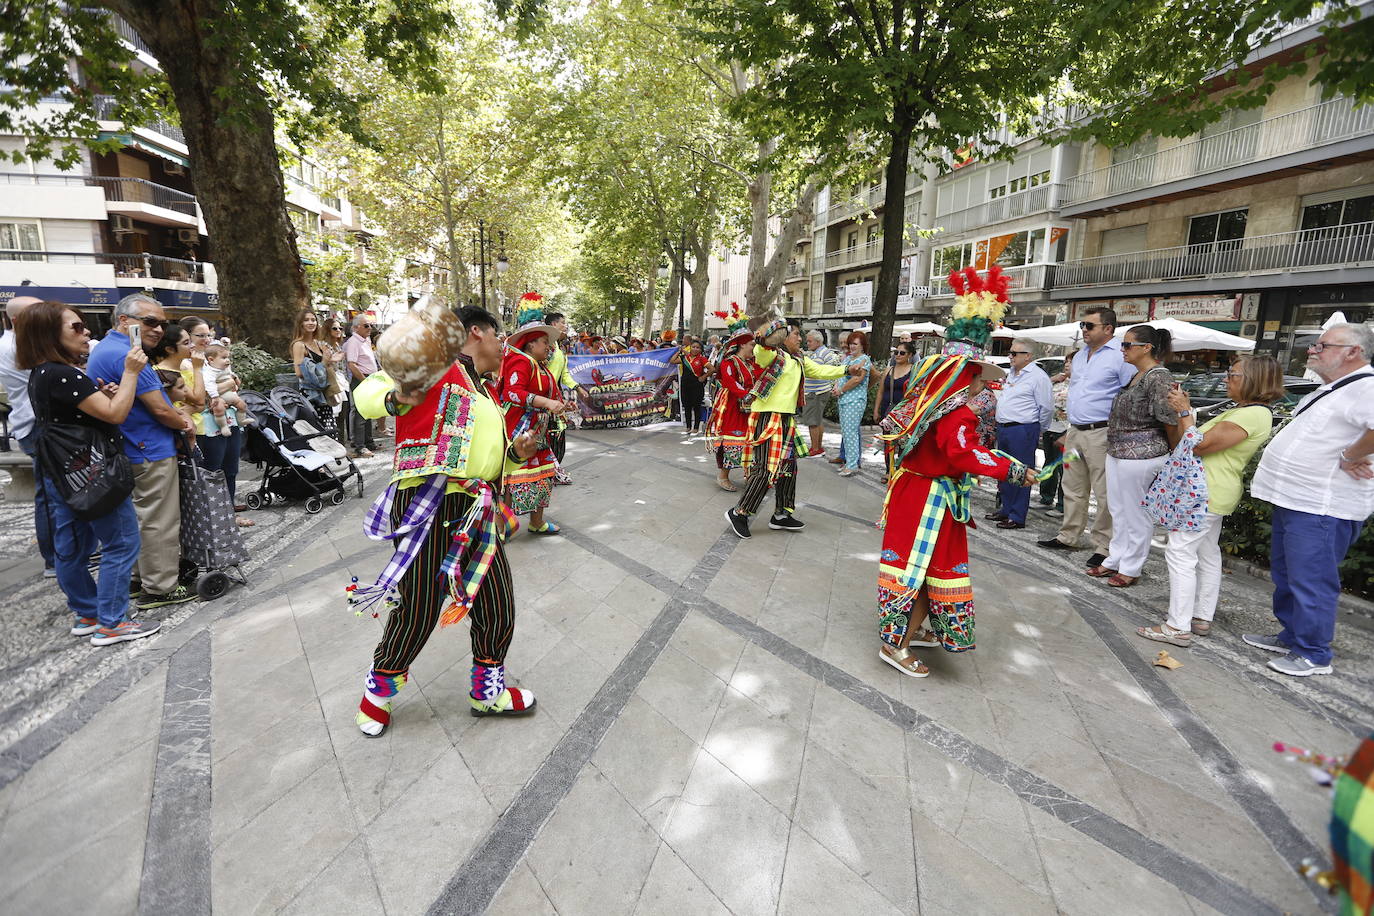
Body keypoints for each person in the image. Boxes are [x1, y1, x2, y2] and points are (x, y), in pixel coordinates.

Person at [349, 304, 538, 735]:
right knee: (418, 607)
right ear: (476, 333)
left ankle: (488, 692)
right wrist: (396, 397)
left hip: (476, 509)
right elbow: (366, 397)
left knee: (496, 602)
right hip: (429, 504)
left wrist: (514, 453)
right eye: (498, 335)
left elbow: (480, 452)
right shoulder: (434, 365)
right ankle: (376, 693)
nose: (502, 344)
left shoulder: (484, 389)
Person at [875, 267, 1036, 678]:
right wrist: (1013, 471)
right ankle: (896, 644)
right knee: (925, 567)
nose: (984, 384)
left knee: (923, 566)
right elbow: (964, 454)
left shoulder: (930, 403)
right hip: (930, 498)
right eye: (980, 377)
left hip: (918, 491)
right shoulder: (956, 412)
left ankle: (914, 630)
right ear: (967, 376)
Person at [16, 301, 160, 644]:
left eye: (83, 326)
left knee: (73, 546)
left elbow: (82, 413)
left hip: (64, 471)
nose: (86, 333)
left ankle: (89, 613)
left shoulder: (43, 373)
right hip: (93, 472)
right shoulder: (62, 373)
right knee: (122, 541)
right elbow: (115, 414)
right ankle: (112, 621)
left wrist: (104, 396)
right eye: (75, 328)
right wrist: (129, 375)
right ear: (49, 334)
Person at [1243, 323, 1374, 677]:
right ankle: (1292, 636)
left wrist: (1350, 456)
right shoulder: (1332, 388)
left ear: (1353, 352)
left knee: (1311, 579)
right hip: (1296, 500)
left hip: (1322, 506)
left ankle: (1314, 654)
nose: (1312, 351)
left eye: (1322, 345)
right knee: (1288, 573)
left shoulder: (1367, 387)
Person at [1136, 355, 1281, 647]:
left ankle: (1177, 625)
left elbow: (1199, 445)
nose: (1226, 378)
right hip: (1208, 491)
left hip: (1204, 492)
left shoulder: (1252, 414)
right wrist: (1184, 413)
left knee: (1180, 553)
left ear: (1254, 380)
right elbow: (1191, 439)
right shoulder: (1247, 410)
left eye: (1234, 375)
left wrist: (1185, 410)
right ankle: (1201, 616)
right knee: (1206, 554)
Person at [87, 293, 197, 610]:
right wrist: (184, 422)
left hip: (131, 448)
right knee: (159, 521)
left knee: (141, 518)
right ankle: (160, 587)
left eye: (162, 323)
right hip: (148, 449)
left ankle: (140, 579)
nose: (159, 329)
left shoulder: (108, 350)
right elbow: (161, 410)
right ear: (125, 321)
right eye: (150, 322)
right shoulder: (128, 355)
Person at [724, 320, 856, 539]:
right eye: (796, 334)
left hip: (785, 419)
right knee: (766, 469)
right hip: (768, 418)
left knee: (788, 468)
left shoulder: (798, 359)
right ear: (783, 337)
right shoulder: (771, 355)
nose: (800, 339)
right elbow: (761, 348)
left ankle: (782, 514)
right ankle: (740, 513)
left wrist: (846, 369)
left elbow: (820, 370)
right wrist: (768, 334)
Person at [1038, 306, 1136, 569]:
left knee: (1104, 492)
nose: (1084, 330)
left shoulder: (1120, 356)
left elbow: (1129, 393)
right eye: (1082, 325)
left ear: (1108, 329)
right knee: (1072, 485)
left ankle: (1104, 546)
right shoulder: (1080, 356)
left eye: (1089, 326)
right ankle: (1069, 535)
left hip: (1102, 433)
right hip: (1076, 431)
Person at [1085, 324, 1179, 588]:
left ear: (1146, 348)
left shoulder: (1158, 376)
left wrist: (1175, 452)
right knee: (1118, 510)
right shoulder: (1138, 375)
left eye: (1127, 345)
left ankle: (1132, 566)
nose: (1122, 350)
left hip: (1142, 454)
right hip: (1118, 451)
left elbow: (1169, 419)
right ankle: (1114, 558)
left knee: (1136, 513)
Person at [500, 301, 570, 534]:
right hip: (519, 430)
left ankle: (537, 521)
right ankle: (502, 525)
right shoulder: (520, 362)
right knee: (512, 477)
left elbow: (551, 393)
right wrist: (545, 402)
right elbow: (511, 392)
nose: (548, 347)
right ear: (530, 344)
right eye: (543, 342)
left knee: (544, 474)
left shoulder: (540, 366)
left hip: (538, 431)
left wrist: (561, 405)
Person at [0, 296, 56, 576]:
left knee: (52, 492)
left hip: (34, 424)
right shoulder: (15, 346)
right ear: (19, 320)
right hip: (36, 426)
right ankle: (54, 557)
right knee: (49, 494)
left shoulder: (22, 344)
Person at [988, 342, 1053, 529]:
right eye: (1010, 353)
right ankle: (1006, 509)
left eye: (1015, 353)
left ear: (1028, 356)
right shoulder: (1012, 373)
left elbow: (1046, 407)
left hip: (1022, 428)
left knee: (1021, 472)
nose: (1011, 356)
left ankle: (1016, 515)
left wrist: (1039, 428)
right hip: (1005, 427)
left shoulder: (1038, 377)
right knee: (1005, 470)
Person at [705, 322, 761, 492]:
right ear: (742, 344)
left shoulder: (752, 363)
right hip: (732, 406)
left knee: (750, 440)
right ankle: (723, 475)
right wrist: (745, 394)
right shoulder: (729, 362)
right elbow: (730, 381)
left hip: (750, 407)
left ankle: (750, 475)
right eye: (752, 344)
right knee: (732, 440)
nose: (754, 347)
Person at [543, 309, 590, 476]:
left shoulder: (560, 349)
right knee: (547, 434)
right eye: (563, 323)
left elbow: (565, 375)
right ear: (553, 325)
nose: (565, 326)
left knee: (559, 433)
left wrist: (578, 388)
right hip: (543, 399)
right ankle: (547, 471)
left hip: (556, 397)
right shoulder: (545, 347)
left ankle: (553, 469)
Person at [872, 340, 915, 480]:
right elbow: (880, 391)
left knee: (903, 442)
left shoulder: (914, 370)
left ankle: (900, 470)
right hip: (887, 411)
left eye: (902, 353)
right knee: (888, 442)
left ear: (909, 355)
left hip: (904, 412)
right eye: (896, 352)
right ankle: (888, 470)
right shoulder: (889, 369)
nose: (898, 355)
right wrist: (876, 410)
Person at [833, 330, 872, 476]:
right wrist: (837, 387)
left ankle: (852, 464)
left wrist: (841, 390)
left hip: (854, 401)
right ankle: (849, 462)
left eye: (855, 344)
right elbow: (840, 375)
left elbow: (857, 379)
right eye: (850, 343)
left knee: (851, 433)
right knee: (846, 433)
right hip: (844, 399)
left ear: (862, 345)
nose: (851, 346)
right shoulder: (848, 359)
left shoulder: (864, 360)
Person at [1037, 359, 1072, 518]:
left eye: (1071, 362)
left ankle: (1063, 504)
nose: (1067, 365)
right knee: (1049, 462)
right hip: (1050, 427)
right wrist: (1052, 380)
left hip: (1066, 430)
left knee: (1064, 468)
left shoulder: (1080, 384)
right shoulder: (1058, 381)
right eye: (1066, 361)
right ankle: (1046, 497)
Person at [800, 329, 841, 458]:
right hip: (818, 391)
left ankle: (815, 448)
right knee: (817, 420)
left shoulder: (822, 354)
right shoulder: (820, 352)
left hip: (815, 392)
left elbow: (818, 371)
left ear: (818, 341)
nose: (808, 343)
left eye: (810, 341)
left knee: (812, 421)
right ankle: (818, 447)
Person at [343, 313, 379, 458]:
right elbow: (351, 364)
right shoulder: (354, 342)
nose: (370, 328)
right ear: (356, 327)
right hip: (361, 379)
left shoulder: (365, 340)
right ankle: (359, 446)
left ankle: (368, 442)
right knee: (360, 413)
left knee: (368, 411)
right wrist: (365, 380)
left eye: (370, 325)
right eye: (366, 325)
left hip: (369, 378)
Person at [291, 309, 332, 424]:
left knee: (330, 431)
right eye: (306, 320)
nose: (311, 323)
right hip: (310, 394)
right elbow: (299, 372)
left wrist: (331, 359)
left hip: (324, 391)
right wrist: (323, 363)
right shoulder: (299, 345)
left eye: (313, 320)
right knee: (318, 431)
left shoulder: (318, 343)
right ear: (300, 324)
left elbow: (326, 365)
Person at [322, 318, 351, 441]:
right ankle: (337, 445)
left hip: (342, 383)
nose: (338, 330)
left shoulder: (339, 345)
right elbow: (323, 365)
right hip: (332, 383)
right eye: (335, 328)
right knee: (334, 416)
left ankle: (342, 445)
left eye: (340, 328)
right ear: (328, 330)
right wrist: (332, 359)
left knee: (342, 417)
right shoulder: (324, 345)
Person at [673, 340, 709, 435]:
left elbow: (712, 369)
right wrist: (678, 351)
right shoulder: (684, 358)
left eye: (698, 347)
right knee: (687, 406)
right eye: (693, 347)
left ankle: (696, 428)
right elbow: (672, 361)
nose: (695, 349)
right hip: (685, 385)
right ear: (690, 348)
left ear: (701, 350)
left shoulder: (702, 359)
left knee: (696, 407)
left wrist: (703, 377)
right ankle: (688, 427)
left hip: (697, 385)